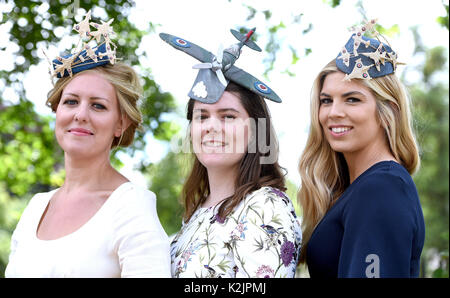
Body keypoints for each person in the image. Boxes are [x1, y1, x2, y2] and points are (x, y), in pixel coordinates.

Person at [5, 11, 170, 278]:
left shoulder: (130, 206)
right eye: (71, 102)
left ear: (121, 124)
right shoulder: (35, 208)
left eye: (98, 105)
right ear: (57, 111)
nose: (80, 114)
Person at [159, 29, 302, 278]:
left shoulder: (264, 206)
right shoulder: (195, 212)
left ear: (255, 131)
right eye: (202, 116)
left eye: (228, 116)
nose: (212, 126)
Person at [297, 19, 425, 278]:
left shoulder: (381, 188)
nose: (333, 113)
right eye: (326, 101)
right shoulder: (360, 188)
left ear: (388, 110)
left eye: (352, 99)